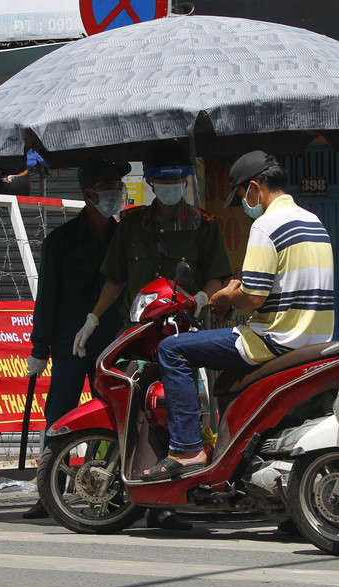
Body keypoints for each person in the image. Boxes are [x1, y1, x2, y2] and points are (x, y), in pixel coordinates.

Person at [137, 150, 334, 481]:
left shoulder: (266, 224)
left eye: (243, 195)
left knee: (173, 350)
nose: (244, 203)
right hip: (313, 338)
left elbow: (254, 297)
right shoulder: (313, 222)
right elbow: (279, 280)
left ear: (255, 188)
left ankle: (186, 449)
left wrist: (227, 298)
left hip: (273, 338)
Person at [72, 140, 233, 529]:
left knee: (182, 409)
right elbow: (116, 278)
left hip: (187, 332)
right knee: (131, 407)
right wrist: (93, 319)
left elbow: (218, 277)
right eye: (164, 180)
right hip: (140, 334)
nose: (171, 186)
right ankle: (120, 492)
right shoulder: (130, 224)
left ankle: (173, 499)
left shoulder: (203, 224)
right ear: (152, 182)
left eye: (178, 179)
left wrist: (200, 298)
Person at [21, 157, 129, 519]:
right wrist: (39, 348)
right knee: (59, 418)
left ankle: (109, 488)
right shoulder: (60, 241)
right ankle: (48, 492)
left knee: (111, 418)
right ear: (89, 193)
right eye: (109, 185)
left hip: (113, 346)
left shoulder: (126, 237)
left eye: (119, 185)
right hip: (69, 345)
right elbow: (47, 296)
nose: (117, 192)